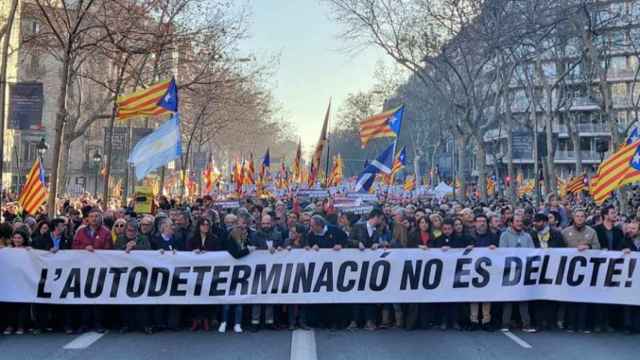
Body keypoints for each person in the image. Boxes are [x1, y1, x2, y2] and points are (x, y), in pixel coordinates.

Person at [72, 208, 112, 333]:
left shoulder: (106, 233)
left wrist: (96, 251)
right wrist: (85, 247)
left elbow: (110, 250)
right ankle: (84, 324)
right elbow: (74, 247)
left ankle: (98, 324)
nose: (94, 218)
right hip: (84, 269)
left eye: (96, 216)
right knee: (84, 297)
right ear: (87, 218)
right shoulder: (81, 232)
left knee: (98, 297)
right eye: (92, 216)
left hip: (99, 270)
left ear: (101, 218)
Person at [348, 208, 387, 331]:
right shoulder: (358, 227)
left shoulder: (377, 231)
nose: (381, 221)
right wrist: (356, 243)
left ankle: (369, 321)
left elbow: (381, 243)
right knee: (356, 294)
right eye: (380, 219)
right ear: (375, 217)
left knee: (370, 294)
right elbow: (348, 241)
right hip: (356, 266)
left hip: (371, 268)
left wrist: (378, 245)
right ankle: (354, 321)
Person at [561, 208, 600, 333]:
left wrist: (588, 246)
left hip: (586, 270)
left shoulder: (592, 232)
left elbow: (597, 247)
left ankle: (583, 325)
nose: (579, 218)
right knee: (571, 298)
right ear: (573, 217)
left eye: (582, 216)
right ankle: (570, 324)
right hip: (570, 270)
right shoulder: (565, 232)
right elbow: (560, 249)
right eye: (577, 216)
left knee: (584, 298)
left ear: (585, 218)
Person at [307, 214, 347, 330]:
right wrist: (311, 247)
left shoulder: (335, 231)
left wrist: (341, 246)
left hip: (336, 269)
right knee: (321, 297)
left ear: (319, 225)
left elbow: (346, 240)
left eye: (312, 225)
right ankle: (321, 321)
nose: (311, 228)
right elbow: (307, 246)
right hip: (319, 271)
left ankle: (335, 322)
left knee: (334, 297)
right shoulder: (311, 235)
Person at [219, 212, 256, 334]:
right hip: (229, 271)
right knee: (227, 299)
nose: (242, 227)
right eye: (240, 225)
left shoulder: (246, 236)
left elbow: (253, 247)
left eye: (244, 225)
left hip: (242, 272)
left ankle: (237, 323)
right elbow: (235, 254)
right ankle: (224, 322)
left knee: (239, 299)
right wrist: (248, 250)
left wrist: (249, 247)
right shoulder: (229, 236)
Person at [499, 214, 536, 333]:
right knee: (508, 299)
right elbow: (502, 252)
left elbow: (532, 252)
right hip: (509, 271)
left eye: (521, 221)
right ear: (512, 223)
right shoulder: (505, 235)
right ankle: (505, 324)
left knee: (523, 299)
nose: (520, 223)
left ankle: (526, 324)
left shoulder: (527, 236)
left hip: (523, 271)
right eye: (517, 221)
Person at [432, 218, 471, 330]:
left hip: (455, 273)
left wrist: (468, 248)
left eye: (449, 228)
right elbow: (431, 252)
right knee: (443, 299)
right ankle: (443, 321)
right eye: (445, 229)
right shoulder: (438, 240)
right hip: (443, 274)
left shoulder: (459, 239)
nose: (447, 231)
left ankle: (455, 321)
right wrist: (439, 249)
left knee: (455, 299)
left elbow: (465, 251)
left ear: (452, 228)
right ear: (442, 229)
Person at [115, 219, 153, 334]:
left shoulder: (143, 239)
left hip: (140, 272)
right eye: (129, 230)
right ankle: (127, 324)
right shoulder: (120, 238)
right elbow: (114, 252)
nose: (131, 233)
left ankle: (144, 325)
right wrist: (125, 248)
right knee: (126, 300)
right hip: (125, 273)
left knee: (142, 300)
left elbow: (149, 251)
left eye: (134, 231)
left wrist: (135, 248)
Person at [249, 214, 284, 332]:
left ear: (272, 223)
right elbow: (251, 248)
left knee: (270, 296)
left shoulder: (278, 235)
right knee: (257, 295)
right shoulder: (255, 235)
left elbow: (282, 249)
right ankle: (255, 322)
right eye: (263, 223)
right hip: (258, 269)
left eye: (268, 223)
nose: (265, 226)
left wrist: (279, 249)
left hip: (273, 269)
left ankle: (270, 321)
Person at [150, 219, 184, 331]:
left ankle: (173, 323)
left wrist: (177, 252)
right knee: (160, 299)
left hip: (174, 274)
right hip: (160, 275)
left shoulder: (177, 240)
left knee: (174, 299)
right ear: (163, 228)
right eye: (170, 226)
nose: (172, 228)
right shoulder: (154, 241)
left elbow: (183, 253)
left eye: (172, 226)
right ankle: (159, 323)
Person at [469, 214, 498, 331]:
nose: (481, 224)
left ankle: (486, 320)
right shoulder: (470, 236)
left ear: (487, 223)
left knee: (487, 296)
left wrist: (495, 249)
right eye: (479, 221)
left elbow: (500, 253)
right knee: (473, 297)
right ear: (475, 223)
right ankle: (474, 320)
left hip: (488, 271)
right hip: (472, 270)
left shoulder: (493, 237)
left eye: (483, 221)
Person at [4, 230, 32, 335]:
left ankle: (21, 326)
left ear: (24, 239)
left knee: (22, 304)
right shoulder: (7, 251)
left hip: (23, 281)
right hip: (10, 281)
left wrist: (31, 251)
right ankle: (10, 326)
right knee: (10, 303)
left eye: (19, 238)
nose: (17, 240)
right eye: (15, 238)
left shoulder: (28, 250)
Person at [284, 223, 310, 330]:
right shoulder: (287, 241)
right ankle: (292, 322)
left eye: (294, 232)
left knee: (303, 300)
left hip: (304, 273)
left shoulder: (305, 242)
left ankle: (302, 321)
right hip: (290, 274)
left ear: (299, 234)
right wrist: (285, 249)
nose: (292, 234)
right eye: (291, 232)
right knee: (292, 300)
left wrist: (310, 249)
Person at [622, 221, 640, 334]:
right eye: (629, 228)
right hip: (628, 275)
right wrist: (622, 251)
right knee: (628, 301)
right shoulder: (624, 240)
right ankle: (627, 325)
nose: (630, 230)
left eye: (633, 228)